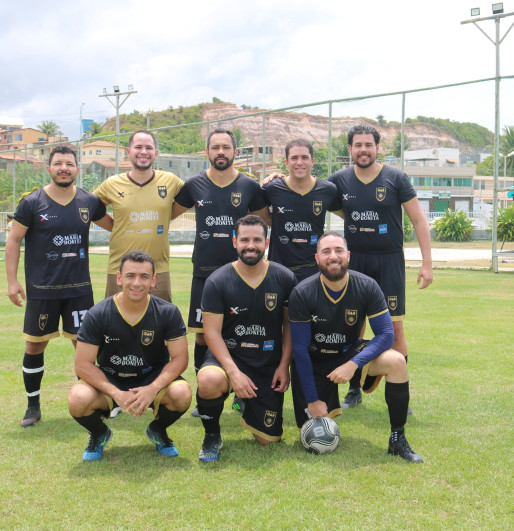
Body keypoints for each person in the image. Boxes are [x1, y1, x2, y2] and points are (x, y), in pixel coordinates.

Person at [289, 232, 422, 462]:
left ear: (348, 256)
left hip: (348, 354)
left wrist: (352, 364)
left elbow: (386, 335)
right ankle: (316, 401)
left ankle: (397, 438)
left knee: (397, 362)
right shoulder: (302, 292)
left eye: (339, 250)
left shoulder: (367, 286)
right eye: (326, 251)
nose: (333, 256)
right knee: (310, 427)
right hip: (314, 361)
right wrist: (311, 399)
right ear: (317, 258)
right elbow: (299, 351)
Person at [326, 125, 433, 410]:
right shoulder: (338, 180)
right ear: (350, 149)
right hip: (355, 261)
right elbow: (308, 189)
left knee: (394, 328)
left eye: (368, 145)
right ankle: (354, 390)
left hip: (389, 260)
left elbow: (419, 220)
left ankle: (400, 395)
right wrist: (276, 177)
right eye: (358, 145)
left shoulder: (396, 178)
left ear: (377, 148)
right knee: (353, 325)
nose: (363, 150)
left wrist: (427, 263)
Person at [6, 145, 112, 427]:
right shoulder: (32, 202)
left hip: (79, 290)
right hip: (42, 290)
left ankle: (93, 403)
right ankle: (33, 407)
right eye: (58, 163)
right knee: (34, 346)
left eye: (68, 164)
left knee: (85, 347)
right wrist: (12, 281)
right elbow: (14, 240)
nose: (63, 168)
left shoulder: (89, 201)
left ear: (77, 169)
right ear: (48, 168)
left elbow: (116, 226)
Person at [171, 129, 269, 412]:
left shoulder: (249, 185)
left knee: (243, 333)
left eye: (226, 147)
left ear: (235, 152)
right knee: (203, 334)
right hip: (205, 272)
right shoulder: (193, 185)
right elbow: (168, 212)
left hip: (243, 275)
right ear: (207, 152)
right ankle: (206, 397)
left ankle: (242, 393)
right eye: (215, 147)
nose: (221, 152)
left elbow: (265, 220)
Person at [67, 250, 191, 461]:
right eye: (130, 276)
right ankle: (99, 433)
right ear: (119, 278)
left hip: (151, 376)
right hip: (111, 378)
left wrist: (152, 388)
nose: (137, 283)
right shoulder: (98, 313)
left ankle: (158, 430)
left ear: (153, 280)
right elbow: (82, 365)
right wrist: (116, 393)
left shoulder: (168, 312)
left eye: (144, 277)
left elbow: (180, 359)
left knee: (182, 394)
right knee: (78, 398)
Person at [194, 215, 296, 461]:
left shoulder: (284, 278)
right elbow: (211, 332)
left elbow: (289, 326)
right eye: (245, 240)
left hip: (267, 363)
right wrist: (234, 373)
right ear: (234, 242)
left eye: (257, 240)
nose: (251, 245)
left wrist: (284, 365)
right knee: (208, 379)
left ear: (267, 243)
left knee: (268, 440)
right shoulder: (217, 280)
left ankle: (246, 402)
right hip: (229, 358)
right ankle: (212, 435)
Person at [94, 130, 184, 302]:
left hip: (158, 269)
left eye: (148, 148)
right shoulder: (111, 184)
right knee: (116, 318)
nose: (144, 152)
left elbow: (190, 200)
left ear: (155, 153)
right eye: (138, 147)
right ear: (129, 152)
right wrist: (115, 226)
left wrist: (165, 217)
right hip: (120, 269)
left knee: (160, 317)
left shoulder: (171, 181)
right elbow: (90, 210)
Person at [262, 138, 341, 282]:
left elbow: (346, 213)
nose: (299, 162)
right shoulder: (272, 188)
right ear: (286, 163)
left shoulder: (328, 190)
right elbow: (255, 211)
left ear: (312, 161)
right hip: (279, 268)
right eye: (294, 158)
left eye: (304, 157)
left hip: (313, 269)